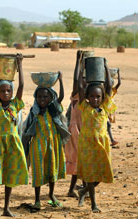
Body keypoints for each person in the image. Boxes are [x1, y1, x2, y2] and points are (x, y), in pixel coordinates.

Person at [0, 55, 28, 217]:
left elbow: (22, 84)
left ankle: (6, 208)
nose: (6, 93)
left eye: (8, 90)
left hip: (12, 142)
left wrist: (20, 64)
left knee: (9, 173)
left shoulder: (16, 104)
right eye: (2, 91)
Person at [22, 72, 70, 210]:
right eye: (39, 96)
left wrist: (60, 80)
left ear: (51, 97)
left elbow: (61, 97)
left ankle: (51, 195)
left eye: (45, 96)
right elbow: (27, 130)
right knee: (38, 171)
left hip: (53, 144)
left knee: (52, 169)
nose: (42, 99)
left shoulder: (53, 109)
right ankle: (37, 199)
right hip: (38, 145)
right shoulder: (34, 111)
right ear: (35, 98)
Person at [77, 58, 116, 213]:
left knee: (101, 175)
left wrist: (106, 66)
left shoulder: (105, 106)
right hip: (87, 145)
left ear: (102, 98)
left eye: (98, 97)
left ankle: (83, 191)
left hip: (102, 145)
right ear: (87, 97)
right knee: (91, 175)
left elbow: (108, 86)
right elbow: (80, 85)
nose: (95, 99)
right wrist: (81, 66)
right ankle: (93, 204)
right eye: (92, 96)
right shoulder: (85, 107)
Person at [65, 50, 86, 198]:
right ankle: (81, 189)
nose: (82, 84)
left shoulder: (88, 100)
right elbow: (75, 80)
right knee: (79, 161)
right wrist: (78, 62)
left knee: (81, 162)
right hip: (75, 133)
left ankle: (76, 189)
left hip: (84, 132)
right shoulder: (75, 97)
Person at [107, 69, 121, 146]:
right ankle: (112, 140)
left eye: (112, 83)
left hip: (110, 110)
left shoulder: (113, 90)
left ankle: (111, 140)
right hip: (105, 110)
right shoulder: (104, 91)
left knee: (108, 125)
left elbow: (119, 83)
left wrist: (119, 73)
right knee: (108, 125)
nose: (111, 84)